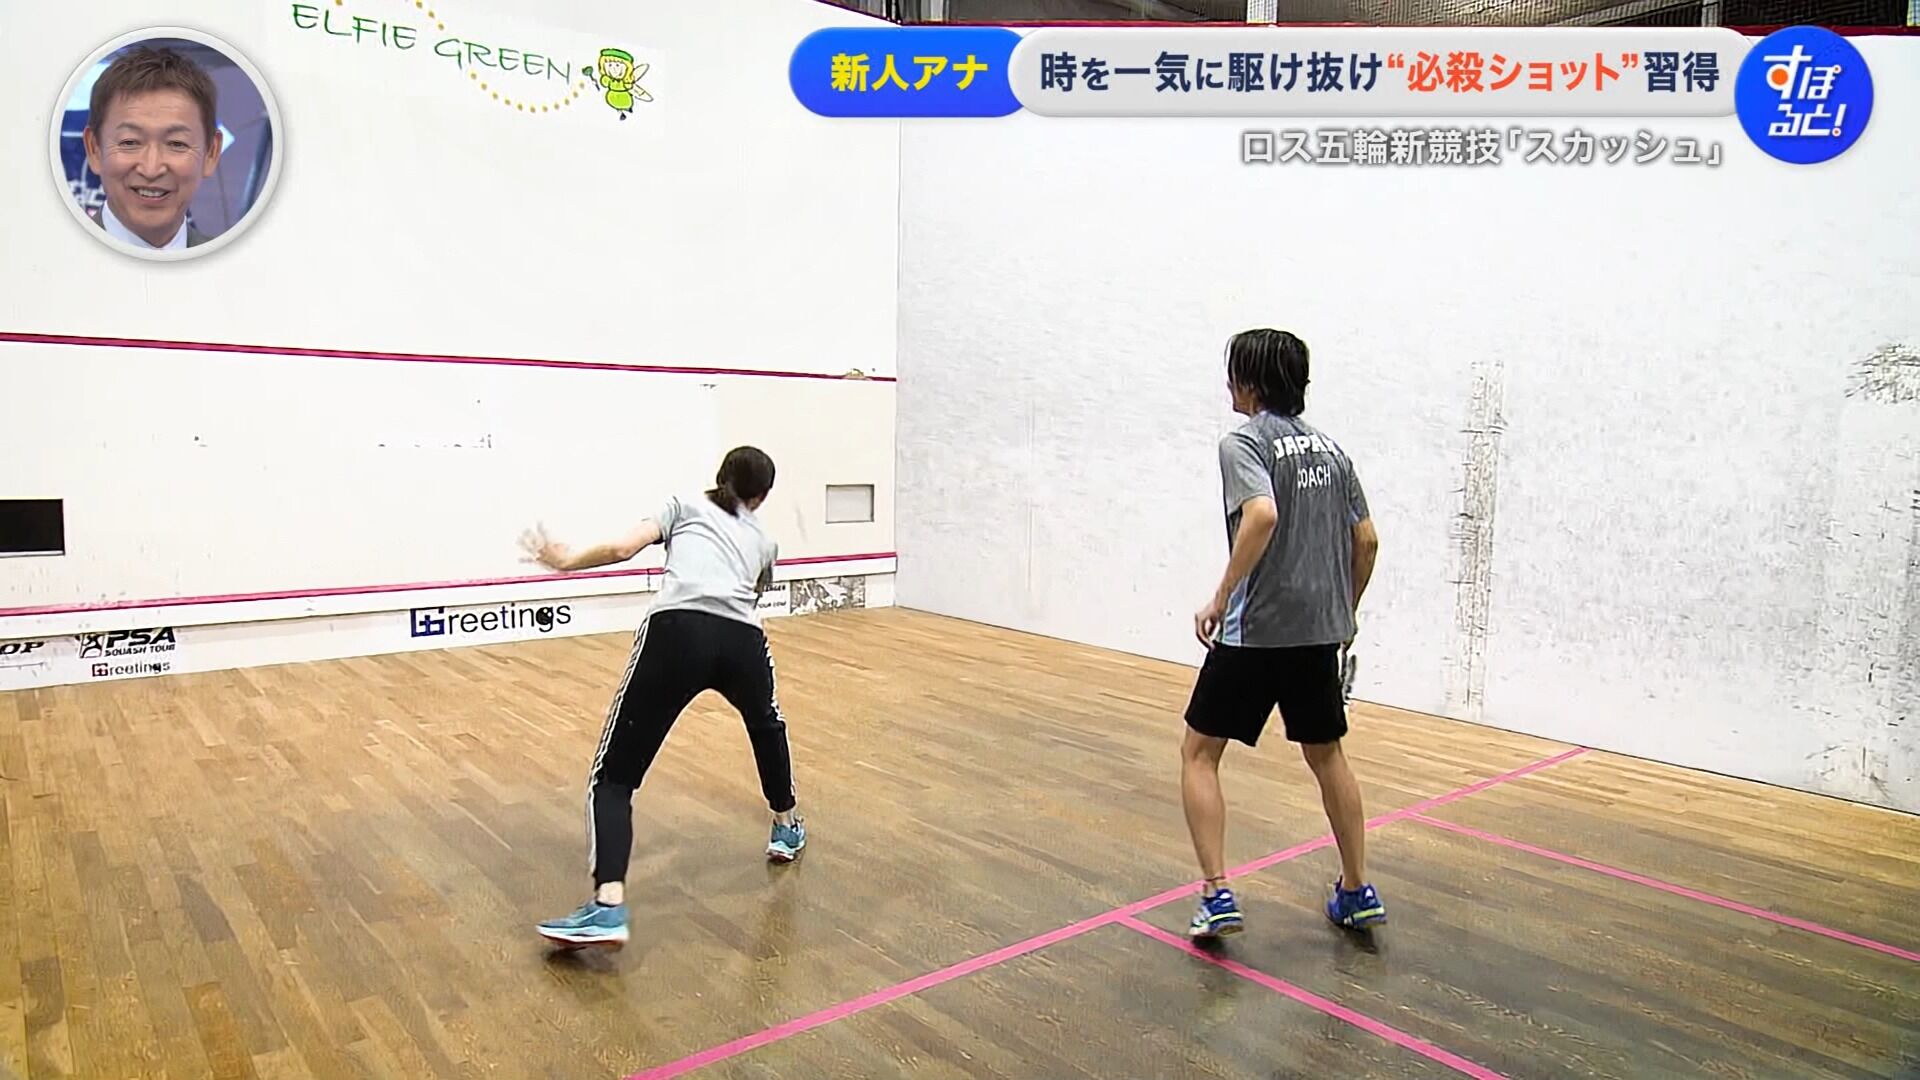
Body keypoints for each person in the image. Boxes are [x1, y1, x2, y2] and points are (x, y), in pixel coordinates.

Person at [520, 447, 804, 949]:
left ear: (720, 478)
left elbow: (621, 549)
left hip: (677, 633)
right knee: (766, 724)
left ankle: (608, 905)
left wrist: (564, 561)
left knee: (614, 779)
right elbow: (753, 593)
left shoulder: (684, 505)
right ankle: (786, 825)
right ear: (761, 497)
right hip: (742, 641)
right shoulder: (765, 540)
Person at [1182, 328, 1384, 939]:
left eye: (1233, 373)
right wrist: (1344, 612)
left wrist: (1221, 595)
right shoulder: (1333, 452)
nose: (1227, 384)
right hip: (1317, 636)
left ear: (1250, 382)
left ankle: (1217, 894)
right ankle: (1356, 890)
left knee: (1199, 754)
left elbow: (1262, 514)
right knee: (1327, 755)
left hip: (1254, 633)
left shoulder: (1243, 443)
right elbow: (1367, 541)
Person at [82, 45, 224, 251]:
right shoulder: (48, 263)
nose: (151, 169)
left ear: (211, 153)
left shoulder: (238, 265)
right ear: (94, 149)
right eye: (130, 142)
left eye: (176, 144)